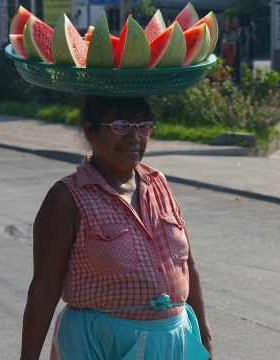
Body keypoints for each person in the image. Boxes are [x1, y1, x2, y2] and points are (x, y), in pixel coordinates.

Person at [20, 96, 213, 360]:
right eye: (120, 125)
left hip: (173, 343)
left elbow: (188, 267)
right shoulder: (66, 198)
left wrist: (206, 342)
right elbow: (44, 288)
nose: (134, 137)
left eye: (142, 126)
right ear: (91, 130)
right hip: (99, 345)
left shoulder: (159, 184)